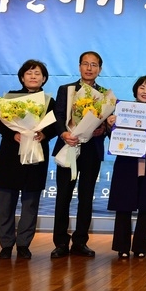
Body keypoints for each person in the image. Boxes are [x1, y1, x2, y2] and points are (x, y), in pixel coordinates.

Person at [0, 60, 57, 259]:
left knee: (30, 203)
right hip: (10, 156)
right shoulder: (10, 98)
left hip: (36, 156)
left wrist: (44, 134)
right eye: (29, 73)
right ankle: (5, 245)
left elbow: (57, 124)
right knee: (6, 204)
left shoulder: (49, 102)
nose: (33, 77)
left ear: (44, 78)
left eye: (37, 74)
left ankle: (23, 244)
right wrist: (13, 134)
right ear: (22, 77)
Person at [50, 51, 107, 258]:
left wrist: (103, 130)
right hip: (68, 147)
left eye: (94, 65)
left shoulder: (105, 95)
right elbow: (57, 116)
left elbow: (107, 123)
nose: (89, 68)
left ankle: (80, 241)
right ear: (79, 66)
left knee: (86, 197)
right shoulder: (66, 90)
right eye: (85, 64)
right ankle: (60, 243)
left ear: (100, 69)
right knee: (63, 196)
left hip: (91, 150)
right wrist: (64, 133)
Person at [106, 76, 146, 258]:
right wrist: (111, 126)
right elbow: (113, 138)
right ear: (135, 91)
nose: (145, 91)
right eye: (142, 87)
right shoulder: (122, 110)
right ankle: (122, 247)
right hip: (127, 163)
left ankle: (140, 247)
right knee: (123, 205)